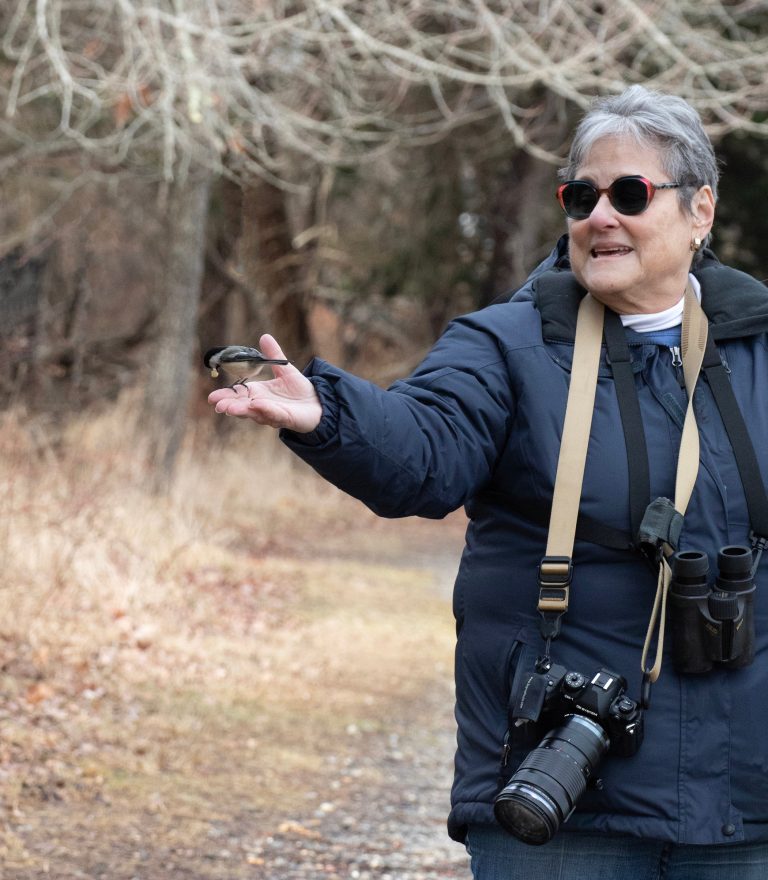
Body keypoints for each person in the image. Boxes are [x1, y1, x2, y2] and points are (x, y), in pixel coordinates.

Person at [208, 85, 768, 879]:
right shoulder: (508, 343)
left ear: (699, 211)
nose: (599, 216)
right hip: (564, 796)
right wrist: (328, 413)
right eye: (582, 196)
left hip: (743, 805)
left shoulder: (758, 346)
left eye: (630, 194)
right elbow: (423, 451)